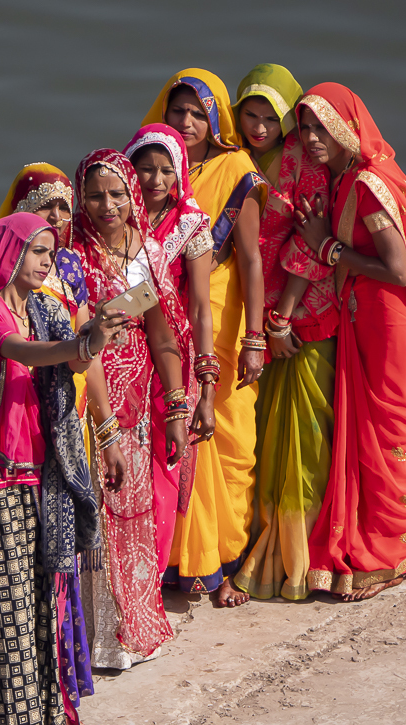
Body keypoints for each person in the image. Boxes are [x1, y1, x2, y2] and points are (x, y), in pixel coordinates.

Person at [0, 213, 127, 725]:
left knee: (41, 599)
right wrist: (84, 344)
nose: (47, 261)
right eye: (38, 251)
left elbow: (63, 365)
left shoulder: (43, 308)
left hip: (43, 471)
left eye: (50, 252)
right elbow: (22, 353)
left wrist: (90, 340)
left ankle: (43, 711)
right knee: (4, 602)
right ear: (8, 254)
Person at [294, 83, 406, 600]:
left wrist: (329, 249)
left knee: (394, 428)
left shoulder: (367, 184)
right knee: (371, 431)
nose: (313, 138)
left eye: (322, 127)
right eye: (306, 128)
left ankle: (396, 550)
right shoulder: (342, 178)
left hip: (388, 320)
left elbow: (398, 269)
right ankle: (399, 532)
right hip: (365, 315)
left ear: (346, 127)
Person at [142, 68, 266, 606]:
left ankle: (227, 557)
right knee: (166, 433)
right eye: (178, 111)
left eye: (198, 113)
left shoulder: (236, 168)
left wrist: (256, 337)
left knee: (228, 442)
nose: (188, 122)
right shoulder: (150, 166)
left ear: (216, 118)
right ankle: (172, 559)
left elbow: (254, 259)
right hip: (160, 314)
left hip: (220, 313)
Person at [74, 149, 189, 668]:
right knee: (92, 513)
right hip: (85, 400)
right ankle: (89, 636)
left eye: (117, 194)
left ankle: (130, 629)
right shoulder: (72, 255)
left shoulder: (150, 255)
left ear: (133, 195)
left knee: (132, 510)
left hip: (139, 401)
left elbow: (164, 338)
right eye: (95, 195)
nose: (106, 205)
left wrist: (177, 407)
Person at [229, 64, 339, 601]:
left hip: (301, 313)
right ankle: (257, 535)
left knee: (303, 438)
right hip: (251, 312)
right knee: (265, 438)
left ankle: (301, 551)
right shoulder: (235, 160)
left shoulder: (303, 165)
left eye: (270, 117)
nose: (258, 127)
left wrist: (279, 320)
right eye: (249, 114)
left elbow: (308, 247)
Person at [123, 123, 216, 572]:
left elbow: (200, 308)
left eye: (165, 171)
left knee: (163, 466)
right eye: (144, 169)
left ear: (179, 174)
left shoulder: (192, 226)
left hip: (169, 358)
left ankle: (153, 576)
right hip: (118, 356)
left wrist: (207, 384)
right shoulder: (114, 217)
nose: (155, 181)